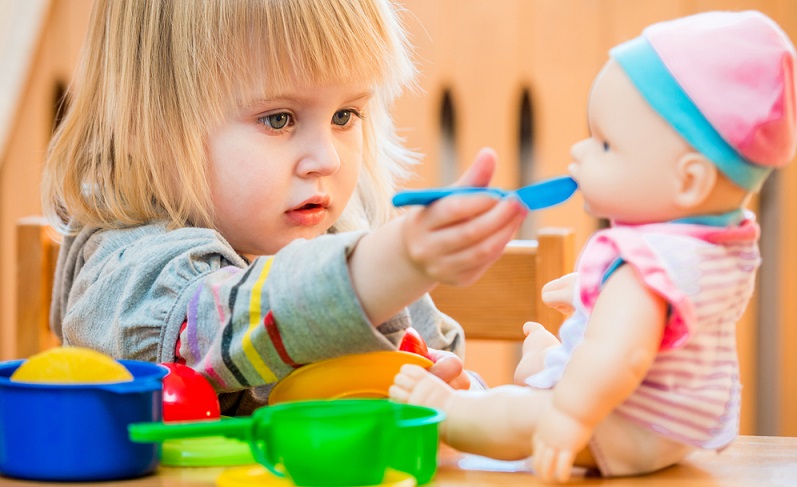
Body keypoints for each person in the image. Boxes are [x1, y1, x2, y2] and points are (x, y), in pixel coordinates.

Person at [41, 0, 528, 415]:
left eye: (345, 115)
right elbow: (217, 327)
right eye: (279, 119)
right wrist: (387, 266)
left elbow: (448, 380)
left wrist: (463, 404)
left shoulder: (349, 236)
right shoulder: (128, 269)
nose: (328, 158)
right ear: (150, 131)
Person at [390, 10, 797, 482]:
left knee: (518, 411)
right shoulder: (722, 245)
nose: (579, 153)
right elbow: (662, 323)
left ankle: (451, 415)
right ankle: (546, 363)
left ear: (688, 180)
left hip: (617, 423)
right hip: (675, 427)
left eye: (605, 145)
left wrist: (566, 419)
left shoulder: (642, 265)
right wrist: (596, 296)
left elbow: (620, 354)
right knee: (560, 367)